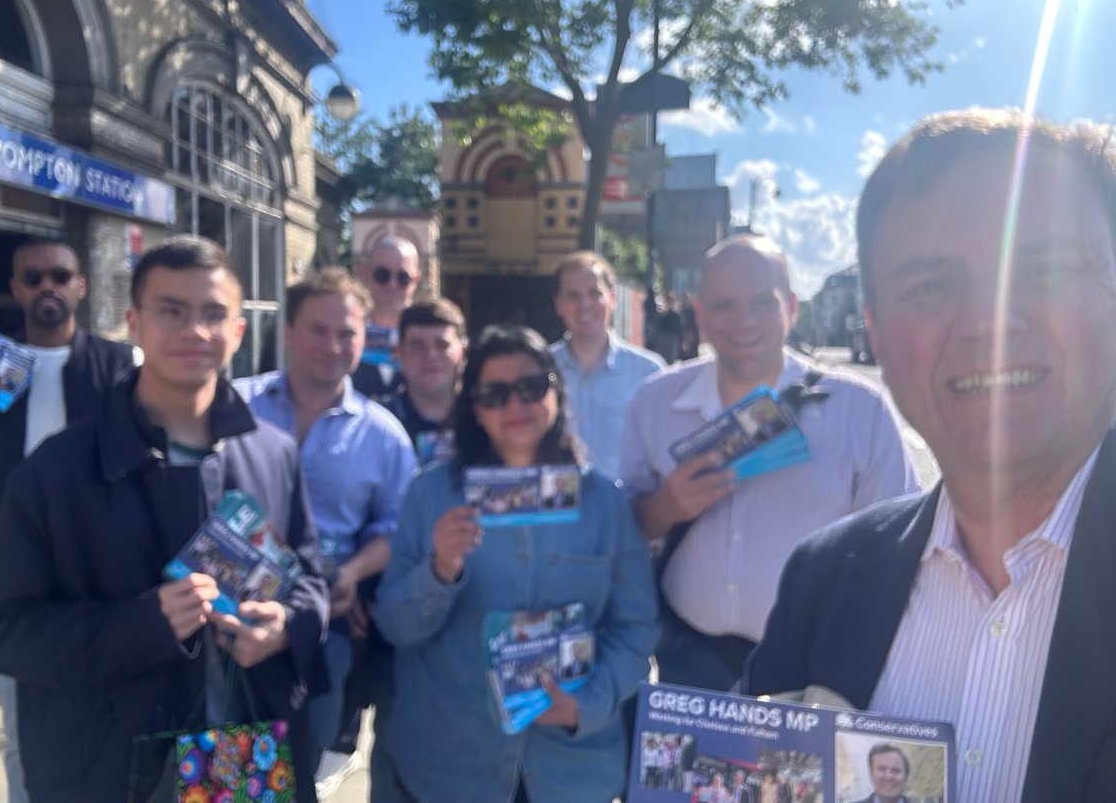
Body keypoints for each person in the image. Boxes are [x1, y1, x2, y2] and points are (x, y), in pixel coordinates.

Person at [743, 110, 1116, 800]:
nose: (990, 322)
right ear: (877, 335)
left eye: (1046, 267)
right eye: (931, 286)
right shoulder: (821, 582)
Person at [0, 235, 329, 803]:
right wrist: (139, 627)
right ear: (133, 323)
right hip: (112, 765)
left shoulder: (272, 454)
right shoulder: (57, 472)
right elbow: (2, 634)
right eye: (171, 311)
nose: (194, 331)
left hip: (242, 756)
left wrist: (286, 625)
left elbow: (310, 581)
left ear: (238, 331)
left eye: (214, 314)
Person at [621, 234, 919, 691]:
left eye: (764, 301)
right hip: (686, 658)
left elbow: (900, 548)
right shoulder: (655, 401)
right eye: (725, 305)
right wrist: (661, 509)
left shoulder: (858, 409)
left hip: (810, 669)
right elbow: (624, 530)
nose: (745, 321)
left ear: (792, 308)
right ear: (699, 313)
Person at [374, 325, 658, 802]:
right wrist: (439, 571)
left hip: (570, 771)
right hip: (451, 768)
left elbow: (635, 628)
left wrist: (584, 706)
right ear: (473, 408)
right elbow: (395, 627)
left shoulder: (604, 504)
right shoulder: (430, 495)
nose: (515, 406)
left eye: (531, 387)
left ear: (556, 390)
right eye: (493, 394)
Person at [0, 237, 135, 803]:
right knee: (24, 730)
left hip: (102, 575)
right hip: (9, 576)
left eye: (59, 275)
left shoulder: (122, 368)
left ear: (81, 285)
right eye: (33, 277)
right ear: (16, 288)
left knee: (113, 717)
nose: (47, 286)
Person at [235, 268, 417, 771]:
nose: (333, 345)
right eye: (318, 329)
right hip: (229, 620)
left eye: (347, 334)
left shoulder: (383, 436)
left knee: (298, 766)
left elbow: (398, 526)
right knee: (234, 770)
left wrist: (354, 573)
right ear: (289, 330)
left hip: (319, 624)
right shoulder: (234, 407)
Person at [549, 251, 664, 478]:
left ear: (613, 299)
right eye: (573, 295)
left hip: (627, 509)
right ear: (558, 304)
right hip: (561, 508)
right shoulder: (541, 370)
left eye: (595, 294)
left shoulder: (649, 372)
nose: (585, 305)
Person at [381, 297, 467, 463]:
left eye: (442, 345)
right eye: (418, 345)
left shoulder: (485, 418)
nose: (431, 356)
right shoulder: (377, 422)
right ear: (399, 353)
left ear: (462, 352)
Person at [354, 235, 422, 399]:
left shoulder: (430, 334)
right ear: (364, 273)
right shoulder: (345, 330)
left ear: (415, 280)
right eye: (382, 275)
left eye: (403, 277)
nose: (392, 284)